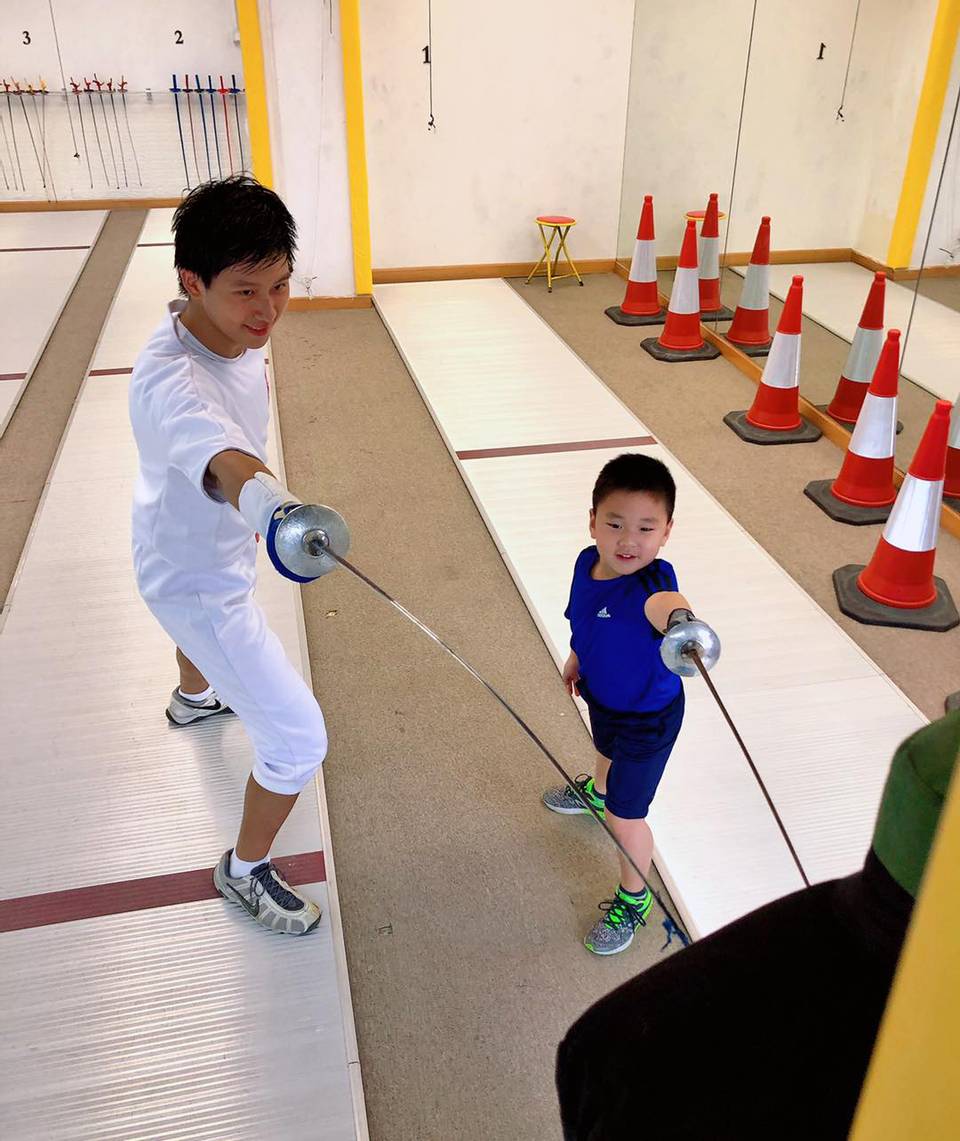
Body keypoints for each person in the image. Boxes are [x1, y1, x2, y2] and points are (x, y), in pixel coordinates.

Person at [555, 711, 960, 1140]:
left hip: (893, 927)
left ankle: (634, 898)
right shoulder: (607, 1053)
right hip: (876, 907)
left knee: (624, 814)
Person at [129, 175, 335, 936]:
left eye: (280, 286)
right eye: (246, 291)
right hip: (197, 581)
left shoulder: (218, 330)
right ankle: (243, 871)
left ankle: (193, 697)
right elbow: (219, 455)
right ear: (192, 281)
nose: (267, 310)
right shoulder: (173, 384)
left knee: (208, 639)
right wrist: (277, 509)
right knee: (299, 738)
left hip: (174, 535)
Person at [543, 453, 716, 955]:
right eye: (615, 524)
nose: (628, 540)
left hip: (649, 719)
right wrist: (578, 656)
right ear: (592, 521)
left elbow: (666, 605)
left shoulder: (653, 583)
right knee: (603, 749)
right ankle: (597, 792)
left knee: (626, 817)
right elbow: (583, 620)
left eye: (646, 528)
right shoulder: (586, 564)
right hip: (602, 695)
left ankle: (634, 898)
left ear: (666, 532)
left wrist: (682, 621)